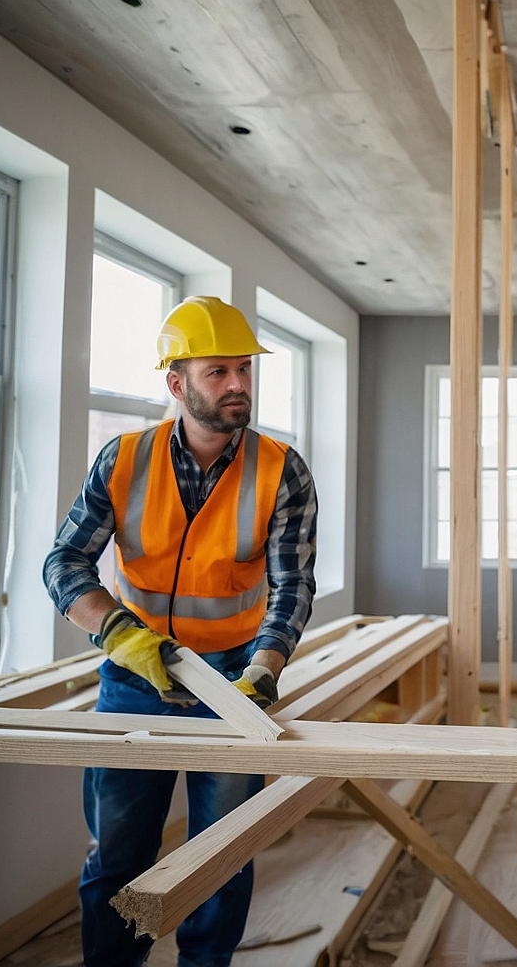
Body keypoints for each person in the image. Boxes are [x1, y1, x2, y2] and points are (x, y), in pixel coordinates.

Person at [43, 295, 318, 967]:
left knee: (222, 856)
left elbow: (292, 585)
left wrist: (266, 668)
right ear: (176, 383)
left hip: (232, 685)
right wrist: (119, 636)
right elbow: (65, 562)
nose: (238, 385)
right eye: (218, 371)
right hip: (134, 681)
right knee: (117, 857)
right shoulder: (124, 459)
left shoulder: (283, 470)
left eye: (245, 370)